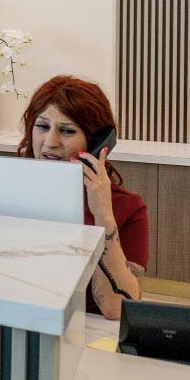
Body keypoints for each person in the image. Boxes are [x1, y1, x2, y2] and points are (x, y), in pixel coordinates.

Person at [16, 75, 148, 320]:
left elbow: (116, 308)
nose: (50, 142)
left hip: (87, 334)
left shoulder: (128, 207)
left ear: (97, 143)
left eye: (66, 131)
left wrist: (103, 217)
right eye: (42, 127)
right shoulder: (8, 190)